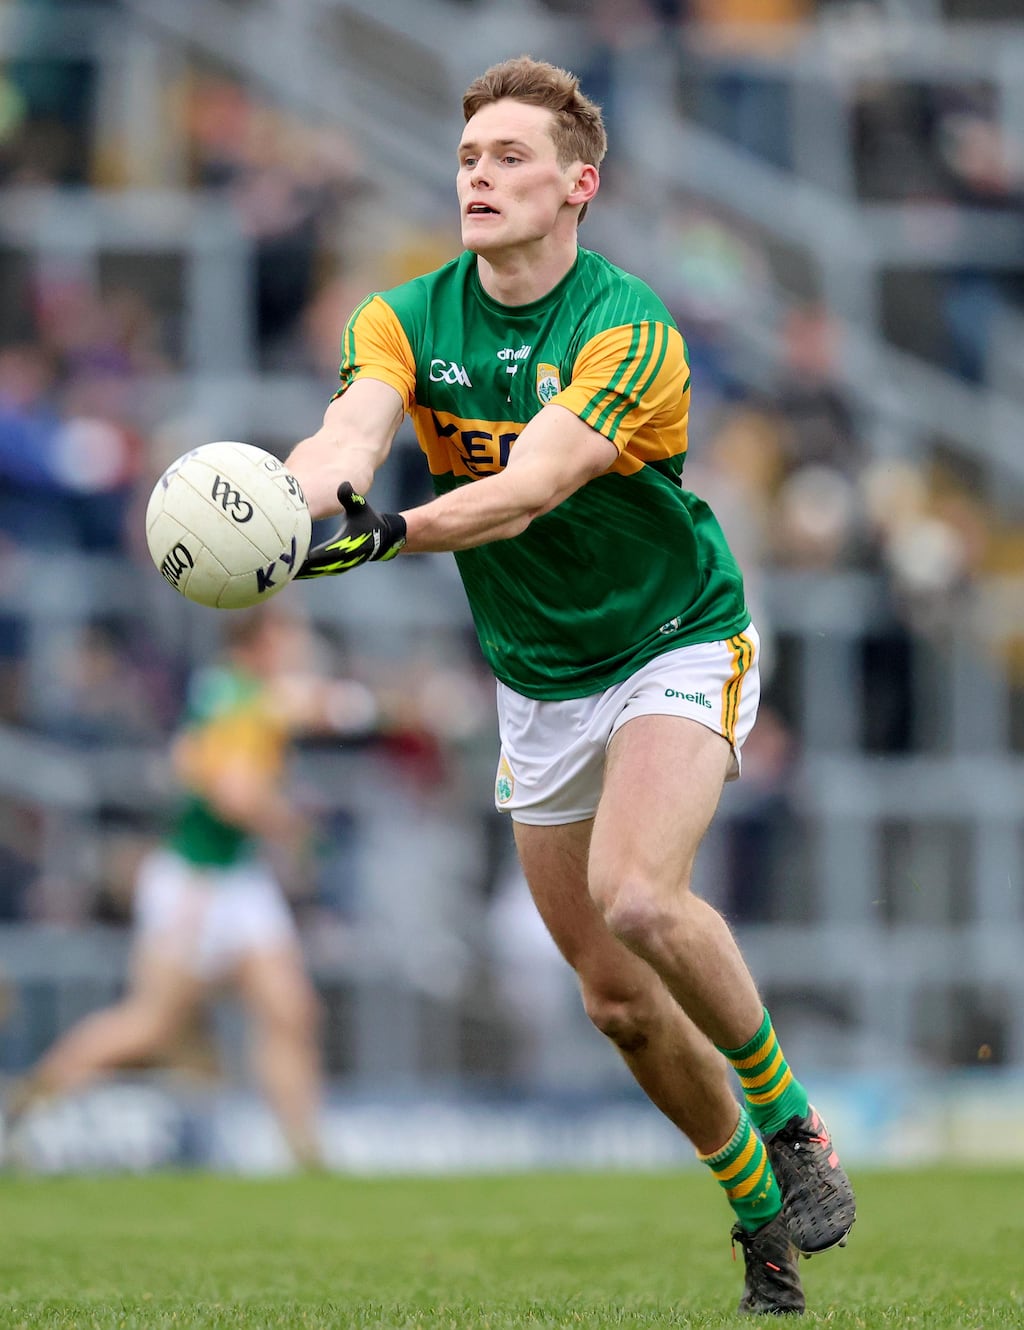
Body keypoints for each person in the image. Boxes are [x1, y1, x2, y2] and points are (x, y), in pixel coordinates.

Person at [284, 55, 855, 1313]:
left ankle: (794, 1122)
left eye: (510, 157)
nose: (478, 177)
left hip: (673, 636)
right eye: (467, 158)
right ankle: (758, 1211)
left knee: (638, 894)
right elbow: (348, 435)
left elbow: (532, 486)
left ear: (578, 184)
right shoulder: (401, 317)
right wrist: (287, 498)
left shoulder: (628, 327)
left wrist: (389, 534)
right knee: (614, 1001)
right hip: (536, 678)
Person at [6, 604, 376, 1171]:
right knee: (149, 1026)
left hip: (238, 878)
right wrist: (293, 825)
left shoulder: (244, 693)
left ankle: (306, 1153)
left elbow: (316, 705)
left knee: (290, 1010)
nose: (300, 645)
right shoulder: (231, 698)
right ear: (263, 638)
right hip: (196, 883)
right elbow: (234, 796)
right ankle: (27, 1102)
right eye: (291, 633)